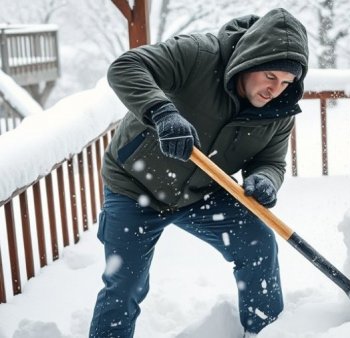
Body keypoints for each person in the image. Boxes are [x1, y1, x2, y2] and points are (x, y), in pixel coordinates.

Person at [89, 8, 308, 337]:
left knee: (257, 243)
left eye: (286, 82)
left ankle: (265, 332)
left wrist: (265, 180)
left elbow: (271, 162)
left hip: (203, 192)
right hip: (134, 187)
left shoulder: (278, 112)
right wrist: (162, 112)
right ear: (250, 61)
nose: (275, 90)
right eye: (270, 77)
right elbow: (126, 66)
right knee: (125, 282)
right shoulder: (198, 56)